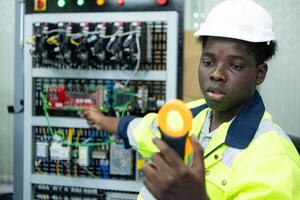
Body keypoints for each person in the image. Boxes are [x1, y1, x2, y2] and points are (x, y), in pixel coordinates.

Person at [81, 0, 300, 199]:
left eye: (235, 65)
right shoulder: (188, 115)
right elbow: (143, 129)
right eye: (208, 62)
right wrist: (100, 119)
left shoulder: (274, 160)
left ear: (260, 73)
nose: (217, 74)